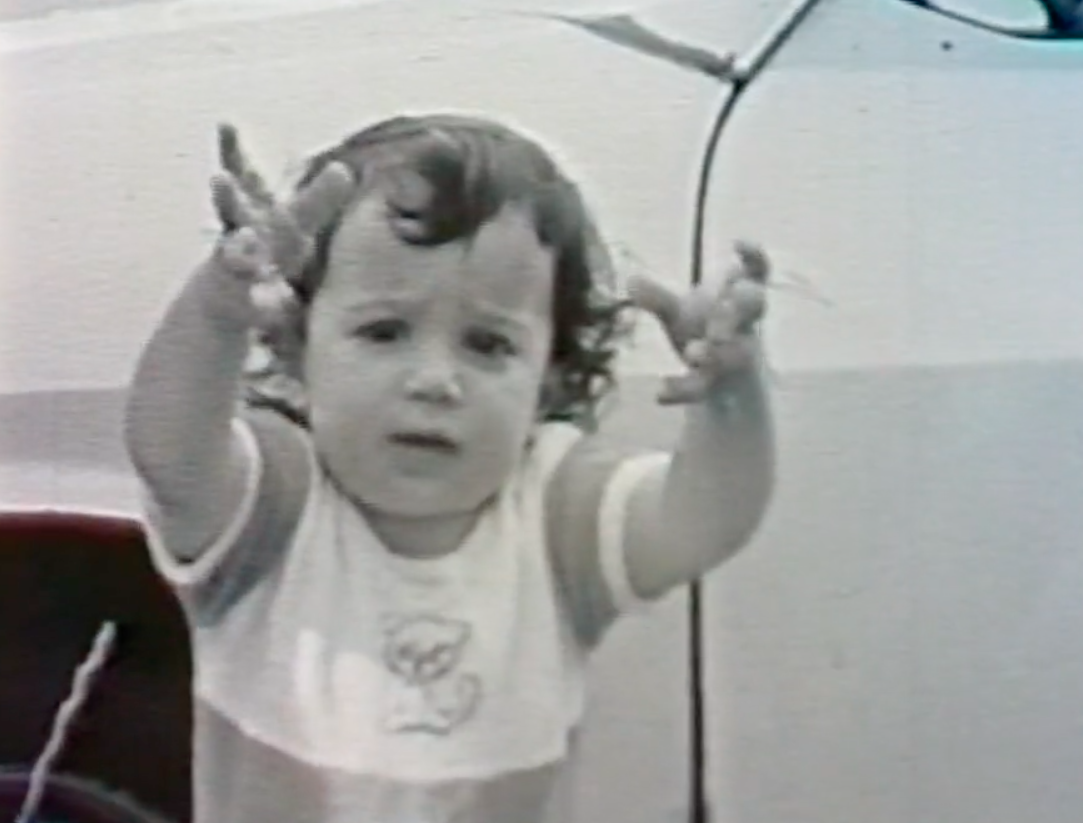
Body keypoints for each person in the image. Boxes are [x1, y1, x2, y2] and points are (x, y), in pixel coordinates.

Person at [123, 113, 776, 823]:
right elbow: (168, 449)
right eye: (383, 331)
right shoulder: (275, 506)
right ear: (294, 347)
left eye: (487, 344)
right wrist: (220, 307)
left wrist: (732, 394)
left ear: (550, 380)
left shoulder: (554, 517)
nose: (435, 379)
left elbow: (704, 522)